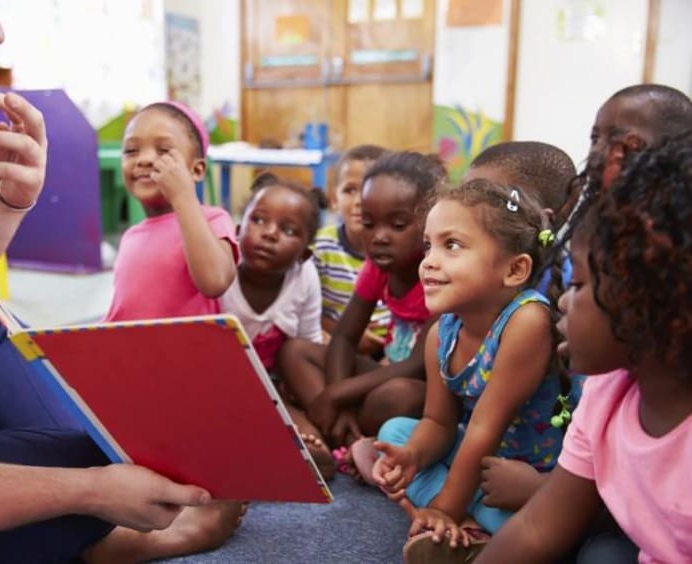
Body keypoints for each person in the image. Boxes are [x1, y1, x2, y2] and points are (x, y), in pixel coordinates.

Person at [0, 2, 235, 562]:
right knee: (100, 472)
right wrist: (91, 493)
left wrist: (7, 203)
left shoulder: (204, 220)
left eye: (164, 152)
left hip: (178, 375)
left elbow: (215, 276)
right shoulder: (134, 236)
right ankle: (99, 538)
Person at [478, 84, 692, 519]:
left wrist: (541, 488)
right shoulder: (581, 242)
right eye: (596, 137)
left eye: (626, 140)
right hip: (581, 445)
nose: (607, 152)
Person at [370, 178, 565, 563]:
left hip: (535, 473)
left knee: (539, 523)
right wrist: (412, 455)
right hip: (481, 461)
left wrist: (444, 508)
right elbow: (439, 423)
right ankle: (476, 526)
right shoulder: (443, 332)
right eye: (428, 245)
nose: (429, 261)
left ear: (514, 270)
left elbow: (484, 428)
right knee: (394, 433)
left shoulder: (527, 321)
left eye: (452, 245)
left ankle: (464, 521)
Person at [277, 151, 440, 475]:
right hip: (382, 376)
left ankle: (326, 431)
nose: (378, 236)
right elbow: (343, 339)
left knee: (401, 395)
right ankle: (339, 433)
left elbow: (418, 366)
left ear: (430, 223)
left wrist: (335, 393)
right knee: (294, 351)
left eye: (397, 225)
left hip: (426, 390)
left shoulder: (436, 274)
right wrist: (342, 400)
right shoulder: (378, 267)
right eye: (368, 223)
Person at [219, 172, 331, 475]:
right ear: (239, 230)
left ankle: (293, 446)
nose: (269, 233)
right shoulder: (220, 268)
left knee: (315, 451)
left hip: (272, 388)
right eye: (259, 220)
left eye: (288, 229)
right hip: (217, 384)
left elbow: (308, 343)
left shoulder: (304, 276)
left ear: (304, 254)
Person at [104, 100, 237, 321]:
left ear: (196, 170)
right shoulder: (130, 237)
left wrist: (183, 196)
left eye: (164, 151)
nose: (144, 159)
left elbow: (215, 282)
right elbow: (120, 315)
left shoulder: (213, 220)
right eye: (131, 150)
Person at [312, 144, 391, 356]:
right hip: (337, 343)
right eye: (349, 190)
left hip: (391, 351)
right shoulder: (320, 247)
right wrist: (344, 333)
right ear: (334, 200)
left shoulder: (399, 251)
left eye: (369, 189)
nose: (359, 201)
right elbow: (305, 309)